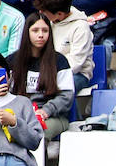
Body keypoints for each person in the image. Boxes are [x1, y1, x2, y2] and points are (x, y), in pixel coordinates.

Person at [8, 10, 73, 140]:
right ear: (27, 32)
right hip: (20, 115)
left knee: (36, 132)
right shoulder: (11, 61)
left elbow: (66, 96)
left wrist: (46, 111)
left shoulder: (60, 61)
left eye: (45, 30)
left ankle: (42, 161)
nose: (40, 35)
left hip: (52, 116)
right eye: (35, 30)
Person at [35, 0, 93, 91]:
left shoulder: (80, 27)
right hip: (47, 72)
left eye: (45, 12)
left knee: (54, 90)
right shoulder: (47, 22)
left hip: (77, 75)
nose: (41, 13)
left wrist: (50, 74)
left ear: (60, 14)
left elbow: (76, 64)